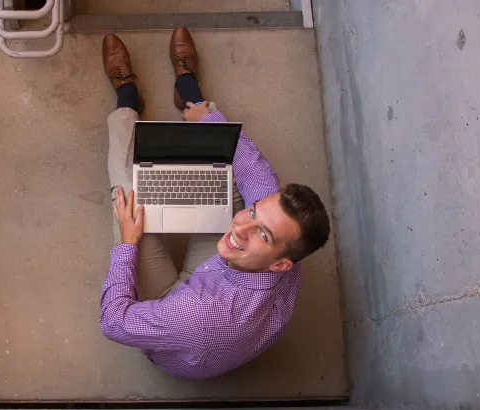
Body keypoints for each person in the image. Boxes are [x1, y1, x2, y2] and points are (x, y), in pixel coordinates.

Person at [100, 27, 330, 379]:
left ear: (282, 265)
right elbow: (256, 173)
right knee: (226, 165)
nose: (240, 226)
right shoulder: (288, 247)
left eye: (262, 234)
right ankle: (189, 95)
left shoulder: (194, 316)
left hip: (177, 312)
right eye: (254, 213)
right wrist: (209, 119)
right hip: (217, 291)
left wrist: (127, 245)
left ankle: (127, 99)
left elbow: (114, 322)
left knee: (127, 196)